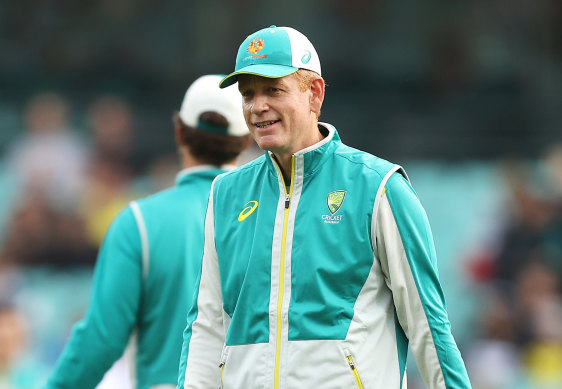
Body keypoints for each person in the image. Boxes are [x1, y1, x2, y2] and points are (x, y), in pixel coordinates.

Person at [177, 26, 471, 388]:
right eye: (248, 94)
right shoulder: (225, 194)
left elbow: (428, 324)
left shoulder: (378, 187)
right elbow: (206, 326)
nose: (257, 107)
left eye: (273, 90)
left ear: (314, 93)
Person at [43, 74, 251, 389]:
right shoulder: (273, 219)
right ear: (247, 139)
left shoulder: (138, 222)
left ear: (179, 130)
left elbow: (101, 339)